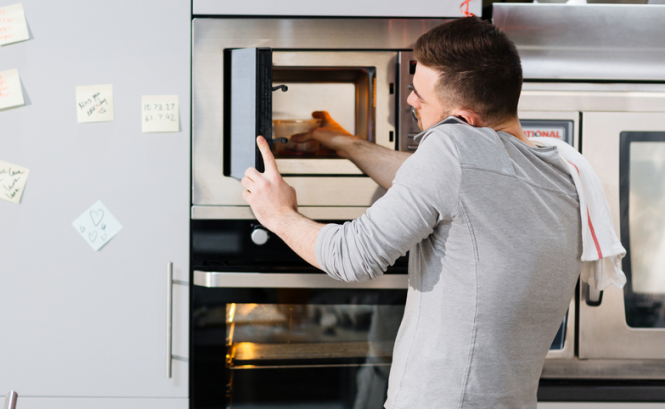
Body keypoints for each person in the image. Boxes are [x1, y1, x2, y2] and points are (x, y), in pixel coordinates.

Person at [240, 17, 581, 409]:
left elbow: (351, 257)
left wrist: (278, 213)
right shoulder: (558, 172)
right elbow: (427, 182)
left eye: (420, 95)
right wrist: (342, 141)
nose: (409, 101)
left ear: (465, 122)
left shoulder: (453, 151)